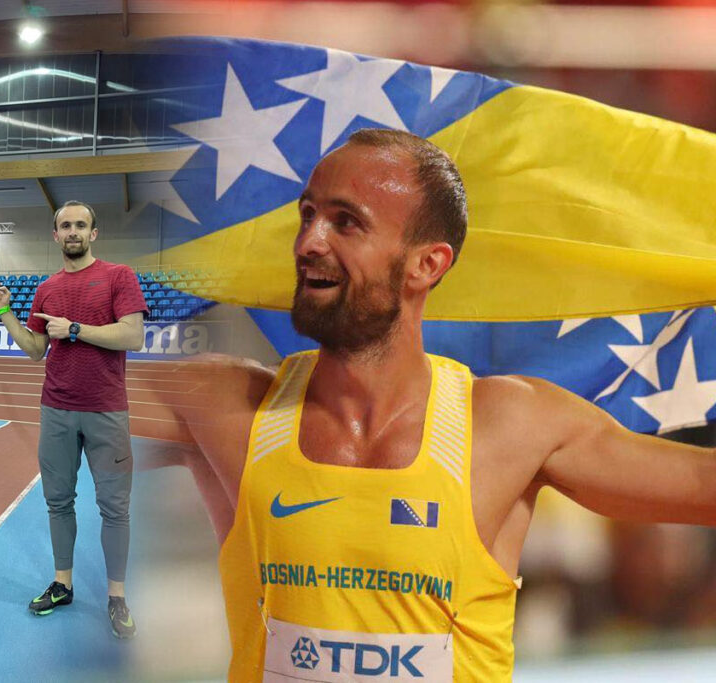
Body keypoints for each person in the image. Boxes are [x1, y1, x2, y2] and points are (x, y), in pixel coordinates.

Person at [147, 129, 716, 681]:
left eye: (345, 222)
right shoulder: (227, 406)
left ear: (427, 265)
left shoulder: (510, 426)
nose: (308, 243)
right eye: (307, 214)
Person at [0, 200, 148, 639]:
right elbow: (36, 349)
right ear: (55, 235)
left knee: (115, 508)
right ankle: (63, 585)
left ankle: (116, 597)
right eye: (65, 226)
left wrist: (74, 329)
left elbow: (133, 335)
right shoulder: (46, 288)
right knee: (58, 501)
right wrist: (4, 312)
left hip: (106, 410)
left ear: (93, 233)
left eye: (80, 224)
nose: (73, 231)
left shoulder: (118, 276)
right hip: (56, 409)